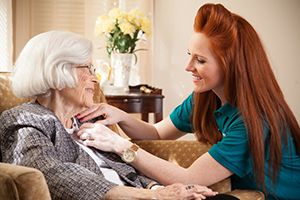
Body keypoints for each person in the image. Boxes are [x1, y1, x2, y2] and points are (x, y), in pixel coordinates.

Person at [75, 3, 300, 200]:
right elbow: (157, 133)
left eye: (200, 60)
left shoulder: (251, 122)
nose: (188, 66)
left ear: (231, 66)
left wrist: (119, 144)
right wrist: (120, 115)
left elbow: (189, 178)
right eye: (189, 54)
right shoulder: (205, 98)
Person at [0, 31, 218, 200]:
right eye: (87, 68)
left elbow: (126, 170)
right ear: (57, 72)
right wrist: (153, 196)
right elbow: (52, 175)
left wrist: (165, 189)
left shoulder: (88, 121)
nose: (95, 79)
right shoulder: (24, 119)